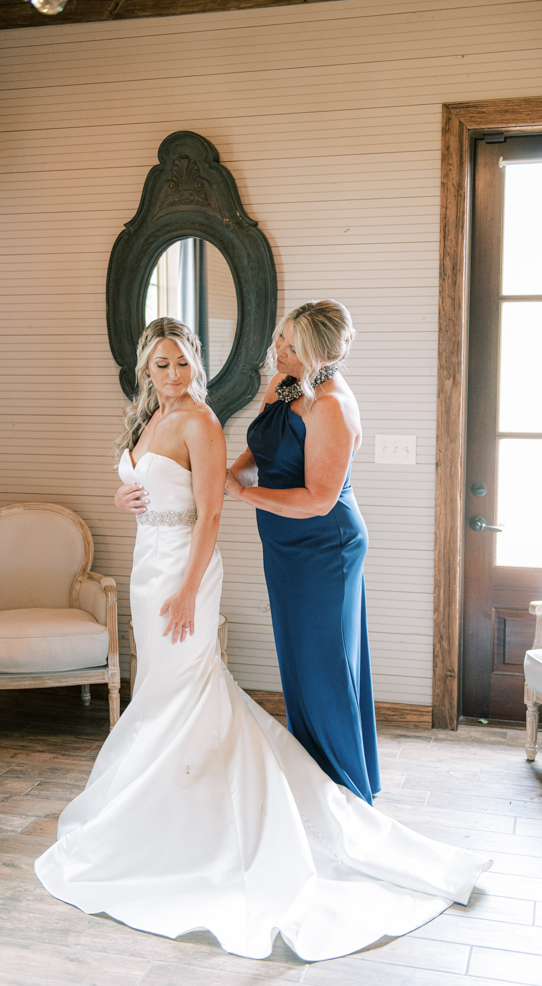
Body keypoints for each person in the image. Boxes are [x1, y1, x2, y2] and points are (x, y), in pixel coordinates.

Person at [35, 317, 491, 962]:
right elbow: (172, 480)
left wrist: (199, 572)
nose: (173, 375)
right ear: (145, 369)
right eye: (160, 365)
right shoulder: (258, 395)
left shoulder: (289, 408)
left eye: (182, 363)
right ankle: (210, 792)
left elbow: (260, 500)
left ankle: (335, 791)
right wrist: (126, 496)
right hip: (164, 563)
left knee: (300, 672)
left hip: (284, 551)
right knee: (202, 684)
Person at [225, 300, 378, 804]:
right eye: (280, 339)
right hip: (284, 544)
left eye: (291, 346)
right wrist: (226, 474)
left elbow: (317, 499)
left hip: (324, 547)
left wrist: (243, 495)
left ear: (318, 354)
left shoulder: (331, 404)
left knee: (325, 663)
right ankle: (311, 775)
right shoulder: (284, 385)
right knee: (299, 661)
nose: (278, 350)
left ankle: (343, 788)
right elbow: (261, 453)